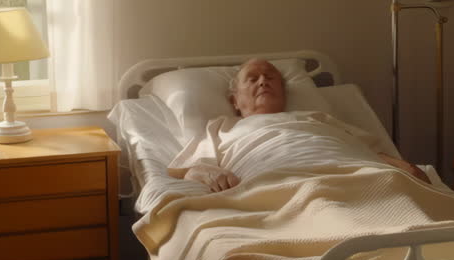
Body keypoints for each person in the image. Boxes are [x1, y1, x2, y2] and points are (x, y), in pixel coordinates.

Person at [167, 58, 429, 192]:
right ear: (234, 100)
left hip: (359, 178)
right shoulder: (223, 127)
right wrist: (209, 174)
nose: (262, 82)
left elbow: (371, 152)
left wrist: (403, 166)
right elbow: (189, 167)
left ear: (283, 90)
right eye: (253, 78)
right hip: (279, 186)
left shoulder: (318, 118)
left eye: (270, 77)